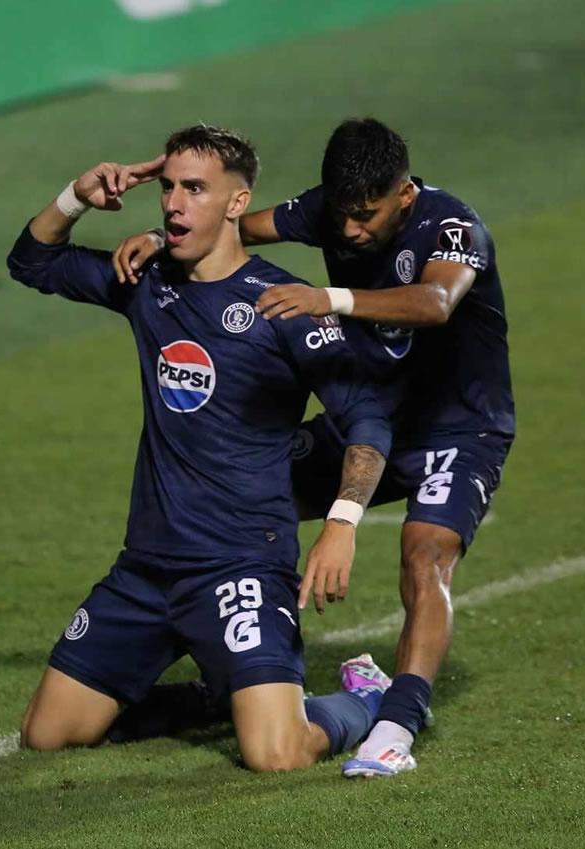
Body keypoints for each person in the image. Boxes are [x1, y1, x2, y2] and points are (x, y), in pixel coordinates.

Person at [111, 118, 515, 777]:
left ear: (403, 195)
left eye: (367, 214)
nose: (351, 229)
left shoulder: (453, 229)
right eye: (342, 213)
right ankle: (243, 681)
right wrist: (166, 234)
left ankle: (395, 722)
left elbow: (437, 301)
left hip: (458, 428)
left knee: (425, 553)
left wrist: (326, 297)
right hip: (371, 418)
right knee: (242, 493)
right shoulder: (329, 211)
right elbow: (237, 221)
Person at [7, 124, 399, 772]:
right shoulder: (148, 281)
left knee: (276, 752)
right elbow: (33, 261)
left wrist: (342, 523)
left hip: (240, 564)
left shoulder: (287, 306)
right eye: (168, 187)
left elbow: (368, 421)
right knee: (48, 733)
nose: (173, 203)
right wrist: (75, 196)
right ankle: (222, 696)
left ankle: (364, 699)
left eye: (195, 189)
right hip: (147, 569)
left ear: (237, 204)